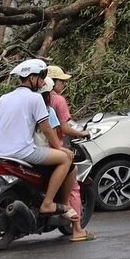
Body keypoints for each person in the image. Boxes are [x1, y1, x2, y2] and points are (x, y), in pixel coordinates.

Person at [0, 59, 73, 218]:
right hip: (23, 153)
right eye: (41, 77)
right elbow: (47, 129)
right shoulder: (35, 98)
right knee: (65, 159)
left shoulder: (4, 98)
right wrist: (59, 147)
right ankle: (48, 203)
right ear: (32, 78)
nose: (42, 82)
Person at [41, 65, 94, 241]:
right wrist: (82, 133)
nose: (63, 84)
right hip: (52, 151)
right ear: (52, 84)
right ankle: (77, 229)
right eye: (61, 81)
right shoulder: (56, 102)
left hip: (31, 151)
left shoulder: (29, 102)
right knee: (73, 187)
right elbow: (63, 128)